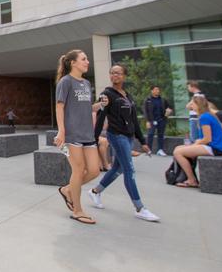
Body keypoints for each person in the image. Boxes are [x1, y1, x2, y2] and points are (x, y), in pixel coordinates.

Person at [87, 64, 160, 222]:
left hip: (128, 137)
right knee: (129, 170)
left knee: (117, 169)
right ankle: (140, 208)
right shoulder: (106, 94)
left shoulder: (128, 95)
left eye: (118, 73)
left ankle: (95, 191)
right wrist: (94, 139)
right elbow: (100, 117)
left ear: (124, 76)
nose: (115, 75)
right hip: (117, 136)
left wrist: (142, 141)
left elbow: (133, 120)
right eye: (112, 73)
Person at [53, 49, 107, 225]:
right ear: (73, 63)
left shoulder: (85, 83)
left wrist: (100, 105)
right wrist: (61, 131)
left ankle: (68, 190)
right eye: (84, 59)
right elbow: (59, 107)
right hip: (71, 135)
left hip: (87, 135)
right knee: (78, 170)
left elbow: (86, 108)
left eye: (87, 59)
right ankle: (77, 210)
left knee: (94, 170)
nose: (87, 62)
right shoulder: (65, 82)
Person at [172, 96, 222, 188]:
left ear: (198, 105)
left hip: (214, 147)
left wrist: (195, 144)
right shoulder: (208, 115)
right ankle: (188, 177)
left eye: (193, 104)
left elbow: (207, 139)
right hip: (213, 146)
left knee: (177, 152)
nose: (191, 106)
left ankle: (192, 180)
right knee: (178, 148)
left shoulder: (204, 117)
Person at [144, 85, 173, 156]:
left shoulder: (163, 99)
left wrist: (169, 111)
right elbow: (145, 111)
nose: (158, 91)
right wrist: (147, 121)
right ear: (152, 91)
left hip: (161, 120)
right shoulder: (148, 100)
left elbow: (169, 107)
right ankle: (149, 150)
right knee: (150, 134)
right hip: (152, 120)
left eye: (158, 89)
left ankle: (160, 150)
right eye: (156, 89)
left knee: (161, 135)